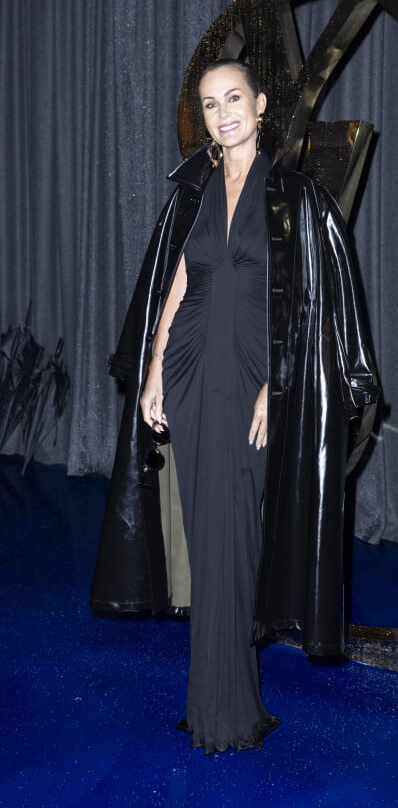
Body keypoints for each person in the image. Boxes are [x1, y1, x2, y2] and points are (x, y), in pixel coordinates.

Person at [90, 60, 379, 754]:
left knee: (235, 544)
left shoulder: (297, 198)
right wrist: (157, 369)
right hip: (191, 373)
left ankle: (226, 704)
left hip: (254, 381)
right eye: (210, 104)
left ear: (260, 104)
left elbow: (312, 314)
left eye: (234, 99)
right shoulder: (194, 190)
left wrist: (277, 391)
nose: (222, 113)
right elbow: (177, 282)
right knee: (209, 539)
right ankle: (218, 706)